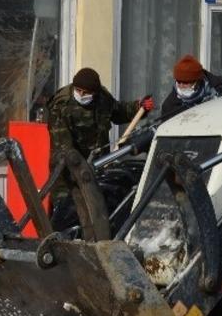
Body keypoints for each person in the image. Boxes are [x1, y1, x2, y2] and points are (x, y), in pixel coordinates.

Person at [47, 67, 152, 230]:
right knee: (66, 215)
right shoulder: (61, 105)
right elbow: (64, 148)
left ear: (94, 92)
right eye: (78, 91)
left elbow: (119, 112)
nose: (81, 95)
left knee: (98, 213)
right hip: (67, 173)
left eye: (86, 92)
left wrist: (139, 107)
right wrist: (80, 171)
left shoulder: (103, 99)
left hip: (98, 166)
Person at [160, 54, 222, 120]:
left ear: (198, 81)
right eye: (179, 81)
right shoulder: (170, 106)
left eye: (186, 82)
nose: (181, 86)